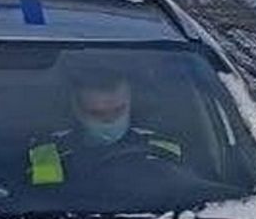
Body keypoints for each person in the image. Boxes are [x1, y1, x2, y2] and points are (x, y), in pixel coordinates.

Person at [27, 69, 183, 191]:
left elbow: (184, 196)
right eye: (97, 113)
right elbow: (41, 203)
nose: (110, 120)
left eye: (118, 110)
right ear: (77, 109)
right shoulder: (46, 153)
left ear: (130, 102)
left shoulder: (162, 147)